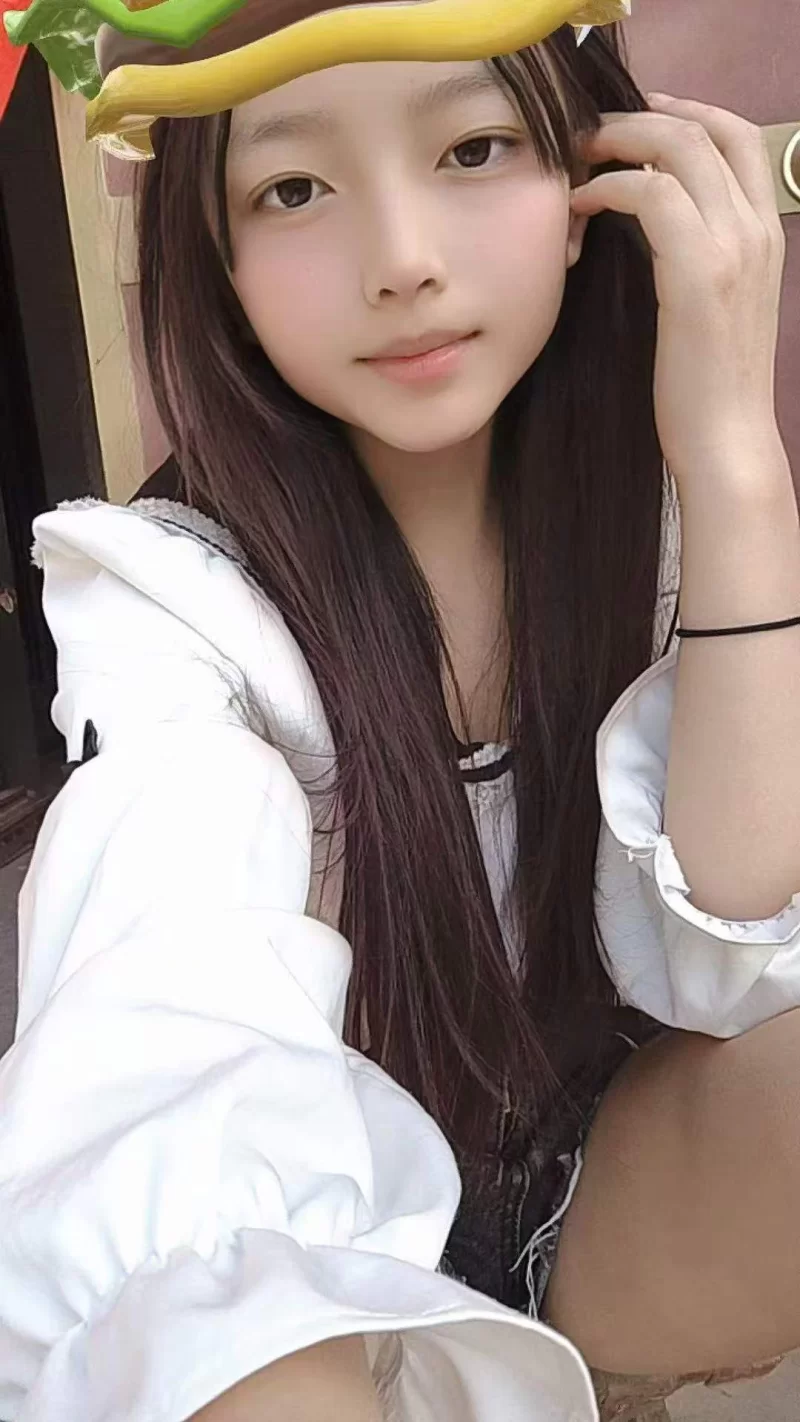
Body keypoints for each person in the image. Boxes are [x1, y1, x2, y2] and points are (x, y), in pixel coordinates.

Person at [0, 1, 798, 1419]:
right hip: (338, 1259)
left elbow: (738, 959)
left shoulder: (647, 521)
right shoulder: (177, 612)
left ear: (591, 180)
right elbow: (171, 1015)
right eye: (294, 188)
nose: (403, 259)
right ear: (219, 254)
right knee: (230, 1332)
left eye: (474, 149)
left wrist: (733, 450)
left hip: (609, 1189)